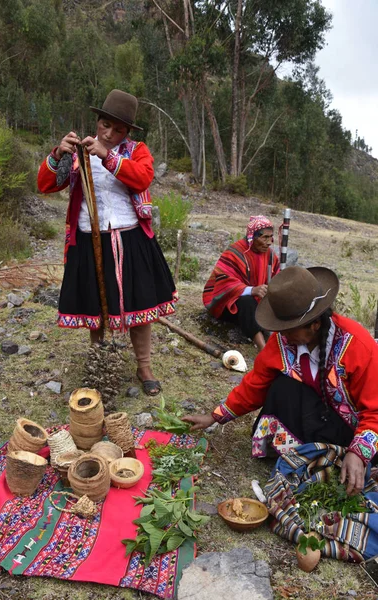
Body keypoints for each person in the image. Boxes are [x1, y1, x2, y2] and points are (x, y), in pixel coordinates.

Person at [184, 266, 378, 495]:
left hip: (355, 429)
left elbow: (374, 411)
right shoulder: (283, 343)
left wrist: (358, 453)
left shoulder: (357, 345)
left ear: (314, 325)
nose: (281, 334)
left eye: (288, 329)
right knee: (282, 387)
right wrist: (215, 416)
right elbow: (255, 385)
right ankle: (304, 456)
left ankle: (341, 460)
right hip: (320, 419)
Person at [37, 89, 177, 396]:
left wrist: (109, 155)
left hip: (131, 236)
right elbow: (45, 185)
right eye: (104, 125)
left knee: (141, 307)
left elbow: (142, 178)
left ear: (128, 132)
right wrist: (58, 153)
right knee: (96, 304)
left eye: (118, 129)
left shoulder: (136, 151)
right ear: (97, 121)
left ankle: (144, 365)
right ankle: (100, 362)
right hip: (89, 236)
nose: (109, 133)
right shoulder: (78, 153)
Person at [202, 215, 280, 351]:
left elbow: (277, 277)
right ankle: (262, 347)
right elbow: (223, 282)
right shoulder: (234, 253)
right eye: (264, 237)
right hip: (227, 303)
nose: (269, 242)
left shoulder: (271, 256)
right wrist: (251, 290)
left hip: (258, 304)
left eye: (270, 237)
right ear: (252, 237)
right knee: (247, 302)